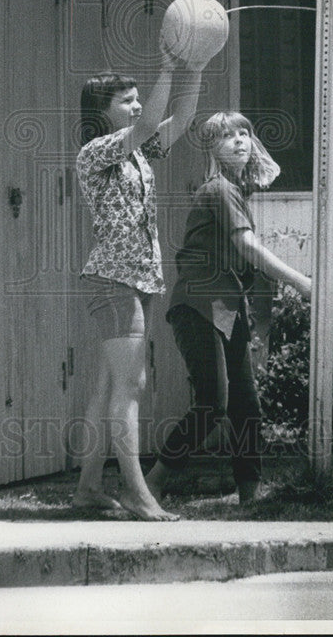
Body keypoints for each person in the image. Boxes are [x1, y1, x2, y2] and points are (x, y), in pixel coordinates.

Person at [144, 111, 312, 505]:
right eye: (226, 136)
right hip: (198, 305)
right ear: (212, 148)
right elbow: (248, 248)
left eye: (244, 133)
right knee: (213, 402)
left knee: (246, 406)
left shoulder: (235, 190)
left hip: (226, 306)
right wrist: (301, 281)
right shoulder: (219, 189)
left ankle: (251, 496)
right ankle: (153, 482)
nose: (238, 141)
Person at [72, 51, 203, 521]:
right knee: (133, 384)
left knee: (108, 386)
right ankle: (137, 493)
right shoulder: (97, 151)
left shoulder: (137, 154)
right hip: (114, 280)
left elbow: (182, 118)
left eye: (135, 99)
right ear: (101, 109)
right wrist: (166, 70)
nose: (134, 106)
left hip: (137, 277)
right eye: (125, 100)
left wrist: (196, 65)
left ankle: (88, 488)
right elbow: (147, 126)